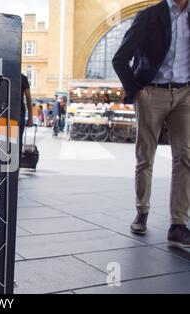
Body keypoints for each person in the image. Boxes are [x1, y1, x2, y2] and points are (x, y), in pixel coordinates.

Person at [112, 0, 190, 248]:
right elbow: (120, 58)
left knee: (186, 156)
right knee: (145, 156)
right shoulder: (149, 15)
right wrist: (137, 91)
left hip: (185, 95)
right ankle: (142, 212)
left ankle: (178, 224)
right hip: (151, 93)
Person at [20, 74, 34, 155]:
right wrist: (30, 117)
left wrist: (30, 117)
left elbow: (28, 98)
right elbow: (28, 98)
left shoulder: (22, 78)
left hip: (19, 113)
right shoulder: (22, 77)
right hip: (19, 113)